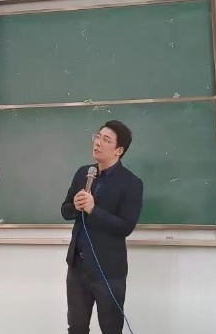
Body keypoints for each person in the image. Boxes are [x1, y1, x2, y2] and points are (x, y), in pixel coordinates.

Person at [61, 120, 144, 334]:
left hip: (108, 271)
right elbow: (65, 210)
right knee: (76, 328)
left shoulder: (131, 183)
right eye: (97, 137)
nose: (98, 143)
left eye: (106, 140)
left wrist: (93, 210)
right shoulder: (83, 173)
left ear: (119, 150)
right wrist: (75, 206)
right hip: (77, 269)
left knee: (111, 329)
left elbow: (126, 226)